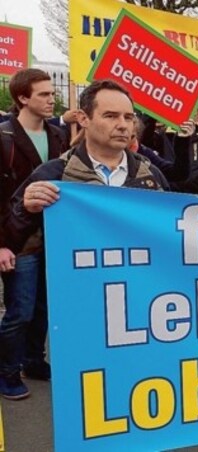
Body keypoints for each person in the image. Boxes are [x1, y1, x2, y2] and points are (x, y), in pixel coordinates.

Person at [1, 80, 169, 401]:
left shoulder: (151, 176)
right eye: (110, 116)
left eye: (128, 117)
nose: (122, 125)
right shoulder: (54, 174)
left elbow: (173, 233)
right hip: (77, 303)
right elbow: (12, 230)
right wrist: (26, 207)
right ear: (86, 119)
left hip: (135, 300)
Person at [0, 68, 67, 400]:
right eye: (43, 94)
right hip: (18, 241)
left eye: (52, 93)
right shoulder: (4, 138)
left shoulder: (58, 136)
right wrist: (1, 245)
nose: (51, 98)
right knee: (20, 311)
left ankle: (33, 362)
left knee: (43, 307)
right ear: (22, 98)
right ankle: (7, 371)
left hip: (52, 239)